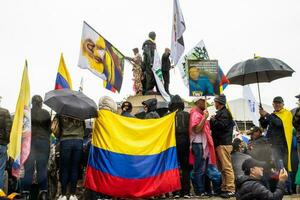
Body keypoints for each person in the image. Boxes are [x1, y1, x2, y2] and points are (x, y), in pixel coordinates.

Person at [20, 95, 51, 200]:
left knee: (28, 168)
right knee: (42, 168)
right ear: (41, 103)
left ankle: (25, 193)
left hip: (30, 142)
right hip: (43, 142)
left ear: (32, 102)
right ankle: (43, 193)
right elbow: (49, 130)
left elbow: (23, 127)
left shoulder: (27, 113)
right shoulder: (46, 113)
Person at [189, 97, 221, 197]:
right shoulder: (195, 114)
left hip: (202, 145)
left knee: (203, 169)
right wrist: (204, 118)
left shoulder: (200, 113)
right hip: (198, 144)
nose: (205, 103)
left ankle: (203, 190)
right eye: (204, 101)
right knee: (199, 169)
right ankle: (199, 191)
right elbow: (196, 130)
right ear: (198, 102)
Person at [210, 94, 236, 198]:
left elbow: (222, 125)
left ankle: (230, 189)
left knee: (227, 167)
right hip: (221, 143)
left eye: (215, 102)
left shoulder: (224, 113)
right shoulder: (222, 113)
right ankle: (225, 188)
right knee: (222, 168)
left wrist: (213, 120)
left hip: (224, 143)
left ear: (219, 103)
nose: (214, 104)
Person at [259, 97, 293, 173]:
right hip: (272, 145)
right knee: (275, 168)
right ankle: (279, 183)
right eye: (275, 103)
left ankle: (285, 184)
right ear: (273, 104)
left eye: (279, 103)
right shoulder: (273, 115)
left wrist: (267, 114)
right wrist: (262, 116)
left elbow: (279, 123)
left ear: (283, 104)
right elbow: (264, 125)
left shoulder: (287, 113)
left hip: (281, 147)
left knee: (282, 168)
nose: (277, 104)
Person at [57, 115, 85, 200]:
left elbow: (56, 127)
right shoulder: (80, 112)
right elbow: (84, 127)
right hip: (78, 141)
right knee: (75, 168)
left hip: (65, 141)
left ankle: (63, 195)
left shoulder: (62, 112)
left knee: (64, 168)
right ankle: (73, 194)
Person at [168, 95, 191, 198]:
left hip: (173, 143)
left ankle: (176, 191)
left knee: (174, 167)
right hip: (185, 142)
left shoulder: (168, 116)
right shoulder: (187, 115)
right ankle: (186, 192)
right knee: (185, 167)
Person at [0, 102, 12, 192]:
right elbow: (9, 129)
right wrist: (6, 141)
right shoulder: (5, 112)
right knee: (0, 170)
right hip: (1, 144)